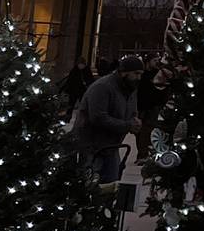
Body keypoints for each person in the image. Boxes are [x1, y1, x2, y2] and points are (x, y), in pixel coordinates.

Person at [72, 54, 143, 184]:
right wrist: (127, 125)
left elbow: (132, 110)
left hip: (111, 146)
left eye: (140, 74)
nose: (138, 78)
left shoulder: (131, 88)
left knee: (111, 184)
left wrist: (134, 121)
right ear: (123, 73)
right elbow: (98, 117)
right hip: (92, 146)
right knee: (89, 184)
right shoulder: (103, 87)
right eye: (136, 73)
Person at [134, 58, 171, 164]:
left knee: (148, 130)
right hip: (143, 105)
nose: (156, 62)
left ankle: (145, 153)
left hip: (153, 106)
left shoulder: (157, 74)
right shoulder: (144, 75)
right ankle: (143, 154)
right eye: (153, 59)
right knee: (141, 131)